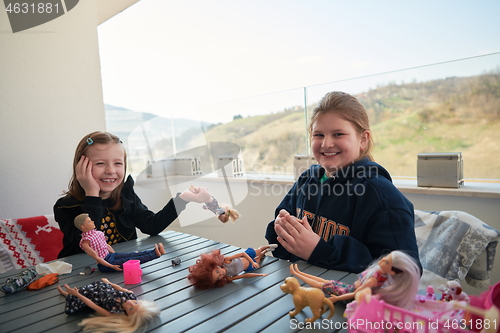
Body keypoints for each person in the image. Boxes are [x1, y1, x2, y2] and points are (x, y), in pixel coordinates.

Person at [265, 91, 421, 273]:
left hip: (352, 299)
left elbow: (403, 272)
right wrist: (282, 230)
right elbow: (279, 244)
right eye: (319, 135)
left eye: (338, 134)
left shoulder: (381, 196)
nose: (326, 144)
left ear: (363, 139)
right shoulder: (306, 180)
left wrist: (320, 251)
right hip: (298, 288)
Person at [54, 131, 212, 258]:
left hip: (121, 266)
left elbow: (152, 226)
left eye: (118, 163)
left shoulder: (126, 196)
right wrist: (92, 194)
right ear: (81, 168)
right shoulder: (65, 207)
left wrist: (182, 199)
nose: (111, 170)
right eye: (100, 163)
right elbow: (86, 244)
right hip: (81, 273)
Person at [289, 250, 420, 309]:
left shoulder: (374, 280)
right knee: (323, 281)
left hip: (345, 293)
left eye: (387, 262)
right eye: (387, 257)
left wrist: (336, 298)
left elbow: (355, 294)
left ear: (392, 271)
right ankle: (298, 272)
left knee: (320, 284)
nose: (383, 259)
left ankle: (297, 274)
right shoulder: (381, 275)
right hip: (348, 287)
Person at [57, 278, 160, 333]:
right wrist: (109, 282)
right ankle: (71, 292)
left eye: (131, 308)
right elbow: (119, 288)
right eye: (136, 303)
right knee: (81, 289)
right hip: (102, 287)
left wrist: (77, 295)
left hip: (93, 296)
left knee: (77, 294)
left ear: (128, 315)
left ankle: (67, 294)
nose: (130, 303)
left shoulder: (115, 311)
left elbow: (94, 306)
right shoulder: (131, 296)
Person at [74, 213, 166, 272]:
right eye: (89, 221)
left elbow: (105, 245)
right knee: (129, 260)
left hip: (111, 256)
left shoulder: (97, 233)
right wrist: (112, 266)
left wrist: (115, 254)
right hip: (105, 264)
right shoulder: (85, 242)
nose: (93, 221)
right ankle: (155, 255)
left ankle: (155, 250)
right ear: (83, 226)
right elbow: (97, 257)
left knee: (132, 254)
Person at [187, 245, 277, 289]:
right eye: (218, 277)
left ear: (215, 266)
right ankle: (264, 253)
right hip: (248, 267)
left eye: (217, 272)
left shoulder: (226, 261)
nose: (221, 274)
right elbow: (243, 276)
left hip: (246, 257)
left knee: (258, 250)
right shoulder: (229, 277)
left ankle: (268, 247)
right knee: (259, 259)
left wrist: (251, 261)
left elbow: (242, 253)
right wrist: (259, 275)